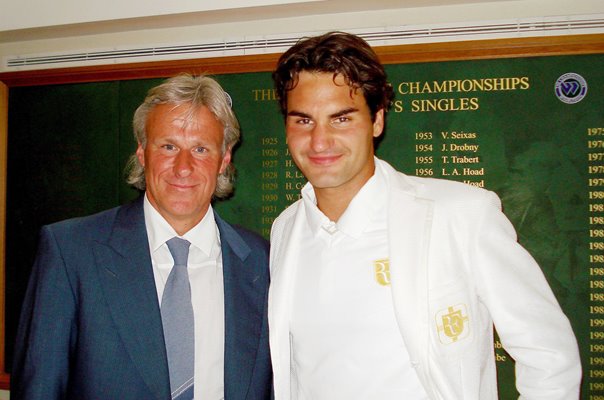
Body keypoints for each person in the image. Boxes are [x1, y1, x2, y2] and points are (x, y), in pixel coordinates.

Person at [268, 31, 581, 399]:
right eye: (303, 121)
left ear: (377, 121)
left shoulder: (461, 214)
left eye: (341, 119)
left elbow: (548, 353)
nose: (319, 141)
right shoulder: (286, 229)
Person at [12, 74, 273, 400]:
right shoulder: (70, 252)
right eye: (168, 146)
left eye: (201, 149)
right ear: (142, 153)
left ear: (223, 161)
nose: (183, 167)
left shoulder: (261, 261)